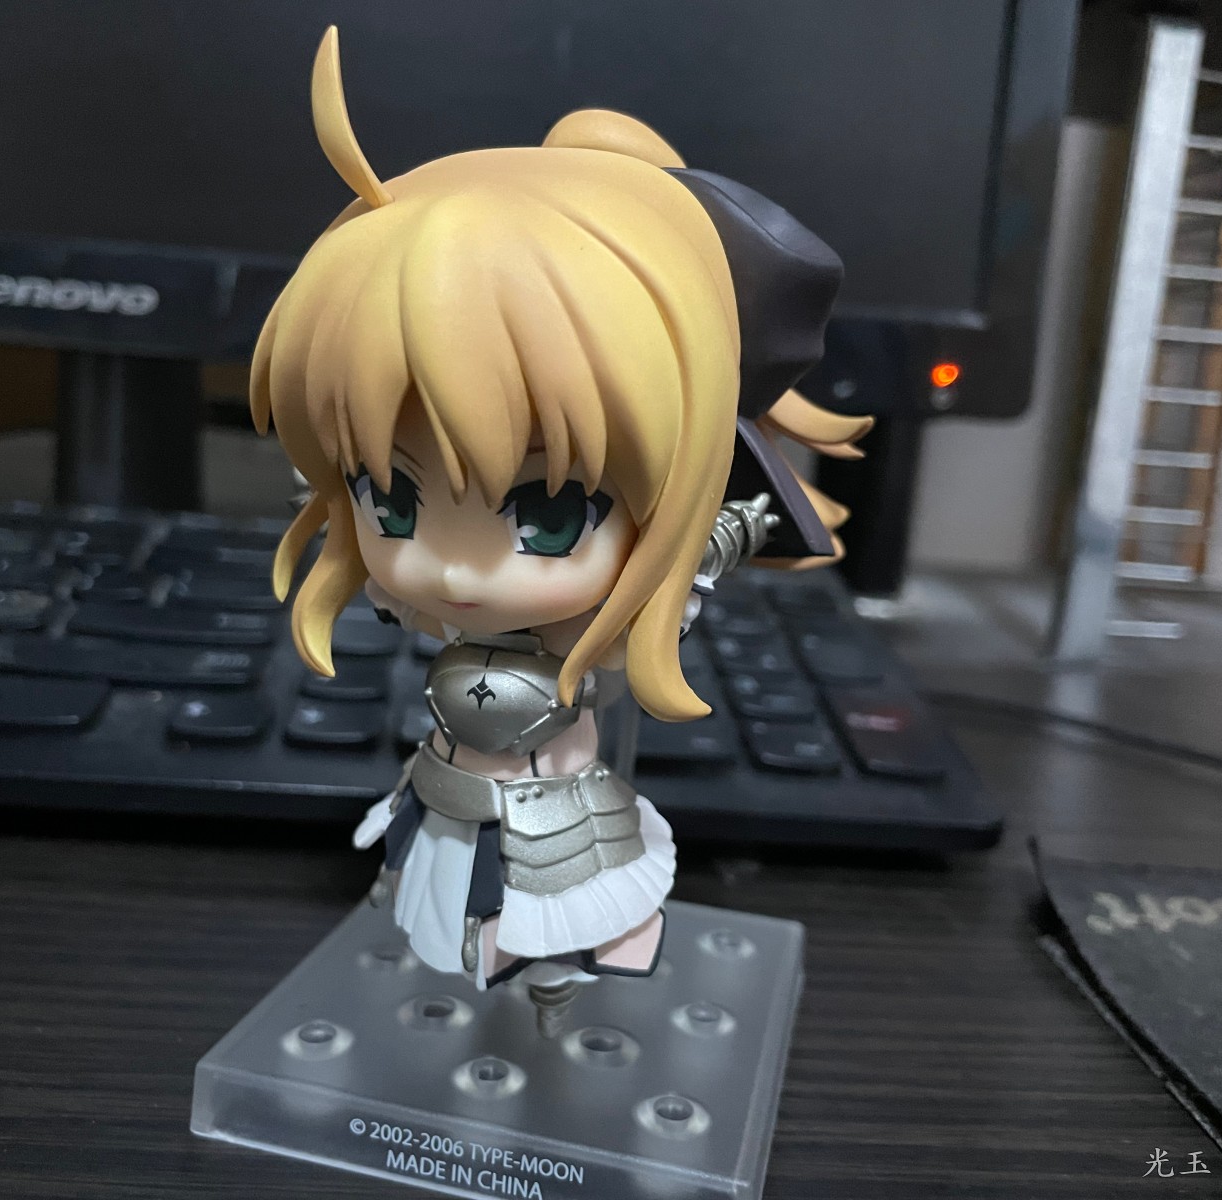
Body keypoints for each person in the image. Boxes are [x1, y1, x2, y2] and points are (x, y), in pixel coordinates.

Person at [253, 27, 869, 1034]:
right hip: (450, 791)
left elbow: (695, 558)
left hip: (561, 807)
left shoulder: (610, 618)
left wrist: (717, 538)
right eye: (390, 499)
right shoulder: (425, 604)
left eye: (547, 514)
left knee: (567, 928)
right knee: (444, 902)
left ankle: (559, 981)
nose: (454, 569)